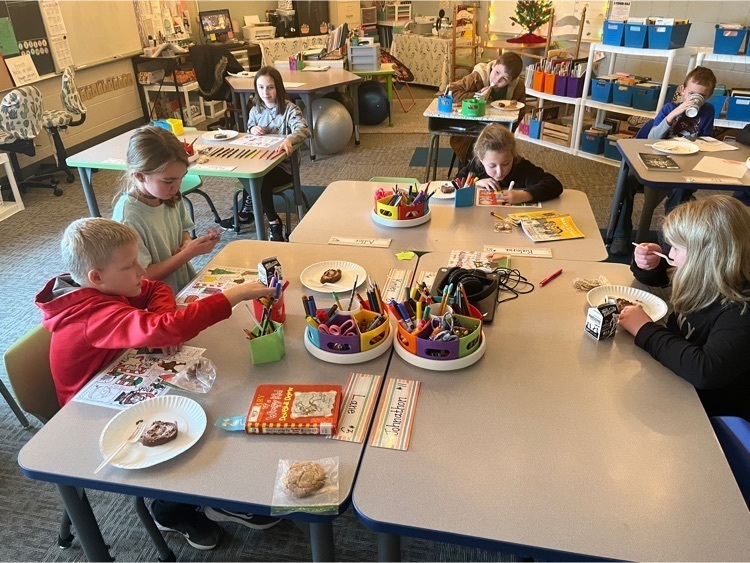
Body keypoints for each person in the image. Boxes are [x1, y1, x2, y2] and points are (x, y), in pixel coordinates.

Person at [35, 218, 281, 550]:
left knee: (214, 393)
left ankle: (207, 494)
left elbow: (155, 288)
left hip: (120, 379)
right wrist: (233, 295)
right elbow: (168, 325)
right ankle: (171, 509)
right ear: (97, 277)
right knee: (205, 415)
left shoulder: (104, 287)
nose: (141, 270)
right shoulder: (91, 314)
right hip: (91, 416)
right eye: (130, 265)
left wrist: (158, 323)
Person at [618, 195, 750, 420]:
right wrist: (650, 267)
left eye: (677, 249)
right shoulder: (711, 276)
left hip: (706, 411)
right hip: (674, 376)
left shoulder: (740, 312)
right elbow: (666, 279)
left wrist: (644, 330)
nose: (670, 254)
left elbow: (705, 370)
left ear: (706, 258)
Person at [610, 66, 717, 255]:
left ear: (708, 97)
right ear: (682, 90)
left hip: (684, 165)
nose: (694, 99)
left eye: (701, 96)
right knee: (627, 182)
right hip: (655, 160)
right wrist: (674, 114)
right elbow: (651, 138)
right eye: (691, 93)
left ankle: (670, 242)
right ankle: (621, 234)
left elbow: (706, 141)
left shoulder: (707, 111)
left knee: (681, 192)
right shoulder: (669, 108)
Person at [113, 125, 221, 293]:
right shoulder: (128, 218)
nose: (176, 187)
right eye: (168, 181)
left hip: (182, 288)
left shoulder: (169, 195)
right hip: (156, 298)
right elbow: (143, 277)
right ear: (140, 175)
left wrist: (186, 243)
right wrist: (187, 254)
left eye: (181, 178)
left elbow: (183, 229)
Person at [219, 66, 311, 241]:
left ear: (278, 88)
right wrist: (252, 129)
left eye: (270, 87)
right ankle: (249, 212)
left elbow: (304, 129)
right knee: (245, 170)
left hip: (284, 168)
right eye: (261, 87)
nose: (265, 92)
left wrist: (289, 139)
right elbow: (249, 130)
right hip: (259, 161)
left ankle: (272, 222)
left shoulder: (290, 109)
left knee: (259, 179)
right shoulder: (255, 110)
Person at [447, 52, 526, 167]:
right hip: (471, 128)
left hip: (499, 131)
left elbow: (521, 113)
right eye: (497, 72)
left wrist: (510, 133)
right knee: (475, 153)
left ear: (512, 80)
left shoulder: (518, 86)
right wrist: (477, 96)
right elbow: (451, 91)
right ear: (493, 65)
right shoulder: (478, 76)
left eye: (504, 79)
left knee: (502, 154)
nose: (497, 80)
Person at [456, 123, 562, 204]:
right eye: (492, 166)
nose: (499, 172)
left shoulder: (521, 167)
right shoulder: (476, 167)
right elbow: (457, 183)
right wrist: (476, 183)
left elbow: (554, 185)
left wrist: (524, 195)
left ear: (513, 156)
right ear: (481, 160)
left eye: (506, 163)